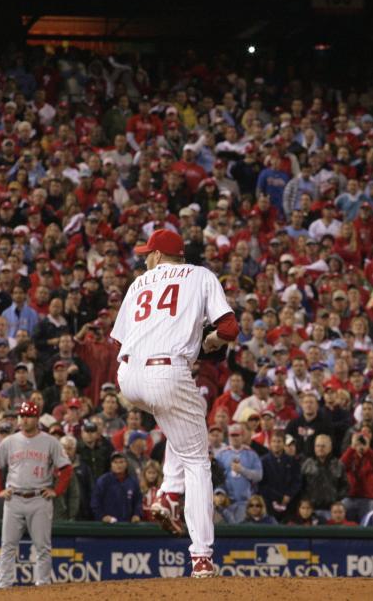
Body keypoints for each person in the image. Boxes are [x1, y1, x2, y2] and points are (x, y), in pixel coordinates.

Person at [110, 229, 239, 578]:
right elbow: (230, 327)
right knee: (198, 461)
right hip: (167, 372)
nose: (144, 258)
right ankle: (201, 557)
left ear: (159, 255)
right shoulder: (200, 275)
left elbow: (118, 338)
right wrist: (211, 340)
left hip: (128, 376)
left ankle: (167, 491)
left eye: (148, 252)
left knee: (181, 423)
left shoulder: (138, 284)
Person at [0, 401, 72, 589]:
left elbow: (66, 469)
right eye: (22, 416)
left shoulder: (50, 441)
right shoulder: (10, 441)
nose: (24, 419)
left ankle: (42, 585)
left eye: (29, 416)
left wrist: (56, 491)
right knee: (8, 546)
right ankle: (5, 585)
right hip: (14, 497)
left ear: (37, 418)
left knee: (42, 547)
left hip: (39, 498)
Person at [91, 451, 142, 523]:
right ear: (111, 464)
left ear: (126, 464)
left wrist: (137, 514)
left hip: (128, 525)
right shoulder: (103, 481)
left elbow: (138, 501)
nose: (118, 465)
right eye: (115, 462)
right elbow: (95, 502)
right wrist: (102, 516)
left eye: (121, 462)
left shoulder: (133, 482)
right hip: (107, 526)